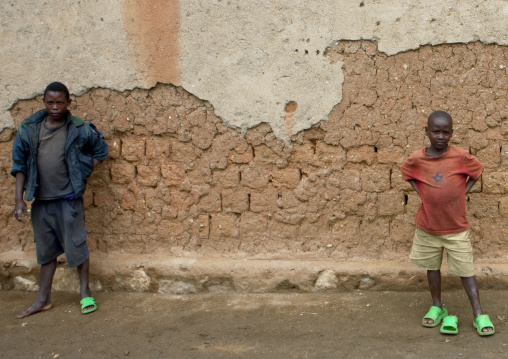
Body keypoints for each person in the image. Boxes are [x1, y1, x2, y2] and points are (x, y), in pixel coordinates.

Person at [11, 82, 108, 318]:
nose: (55, 107)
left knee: (77, 247)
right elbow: (20, 165)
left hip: (68, 201)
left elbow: (101, 150)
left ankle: (85, 293)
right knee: (46, 253)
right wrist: (19, 199)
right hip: (41, 203)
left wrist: (83, 172)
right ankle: (43, 299)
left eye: (60, 102)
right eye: (50, 102)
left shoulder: (79, 129)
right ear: (44, 102)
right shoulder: (29, 129)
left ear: (69, 102)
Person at [400, 110, 495, 336]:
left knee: (466, 270)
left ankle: (478, 314)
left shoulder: (460, 156)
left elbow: (477, 171)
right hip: (428, 227)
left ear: (452, 133)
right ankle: (437, 307)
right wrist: (422, 193)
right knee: (432, 267)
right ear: (426, 132)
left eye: (445, 132)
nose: (440, 137)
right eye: (435, 131)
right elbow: (407, 173)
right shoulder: (417, 158)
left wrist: (462, 192)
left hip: (456, 228)